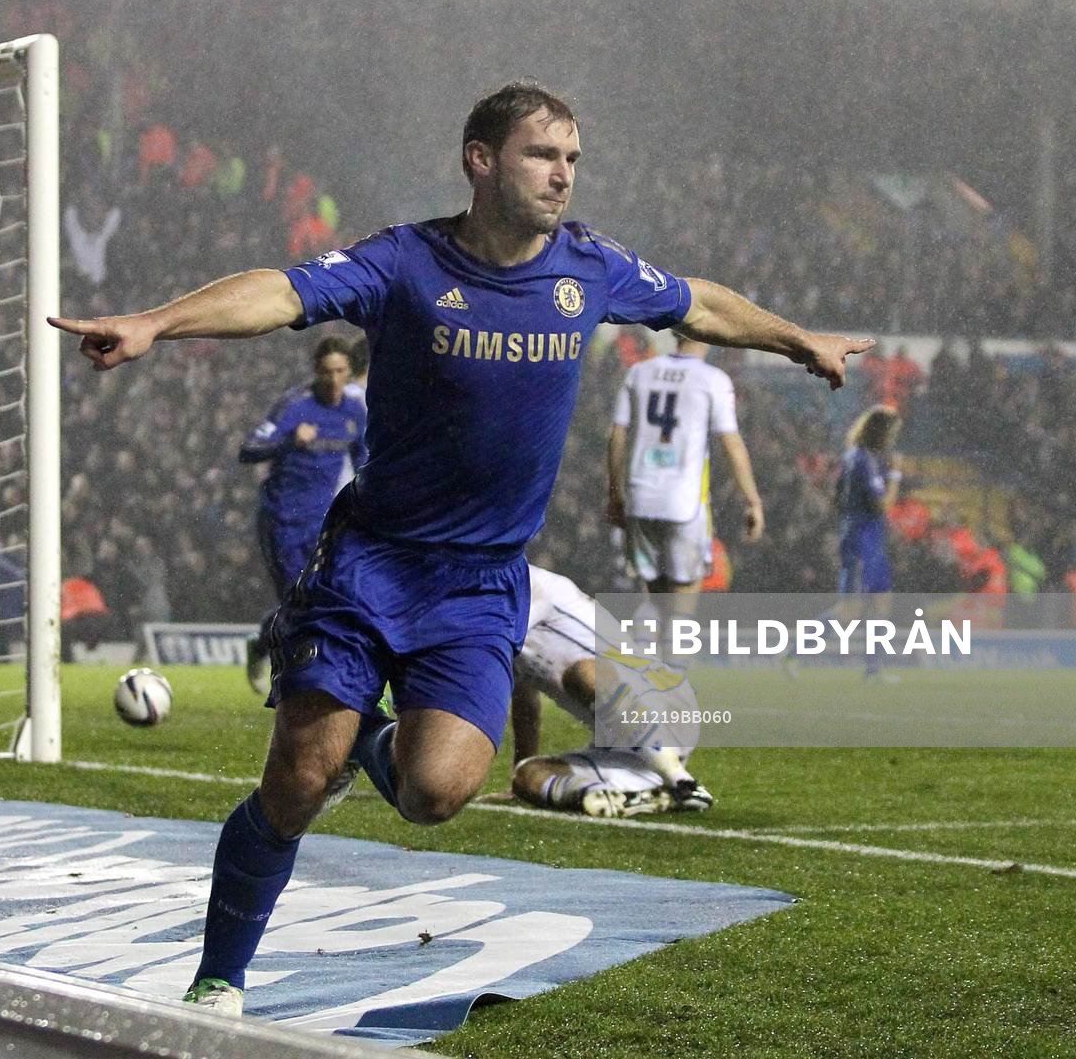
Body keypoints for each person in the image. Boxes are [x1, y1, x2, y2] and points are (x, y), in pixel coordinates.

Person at [50, 81, 870, 1017]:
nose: (562, 174)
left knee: (435, 793)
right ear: (481, 161)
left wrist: (797, 339)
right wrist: (156, 323)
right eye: (541, 154)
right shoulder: (404, 261)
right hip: (369, 561)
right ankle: (217, 982)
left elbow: (700, 305)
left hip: (481, 585)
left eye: (571, 158)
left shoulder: (589, 267)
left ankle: (367, 746)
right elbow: (280, 291)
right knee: (297, 780)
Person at [606, 329, 762, 666]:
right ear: (709, 335)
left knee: (653, 598)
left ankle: (644, 680)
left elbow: (617, 434)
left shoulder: (639, 372)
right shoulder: (711, 379)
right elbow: (731, 444)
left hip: (640, 498)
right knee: (682, 605)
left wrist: (615, 494)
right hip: (684, 503)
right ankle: (673, 685)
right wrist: (753, 500)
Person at [509, 564, 711, 818]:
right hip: (627, 751)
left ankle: (683, 782)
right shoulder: (492, 612)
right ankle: (618, 796)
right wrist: (519, 777)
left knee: (583, 673)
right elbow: (525, 702)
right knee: (528, 776)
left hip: (665, 707)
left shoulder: (529, 586)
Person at [238, 338, 368, 693]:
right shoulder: (295, 406)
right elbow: (249, 449)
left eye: (340, 372)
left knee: (330, 596)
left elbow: (363, 458)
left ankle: (269, 646)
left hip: (323, 524)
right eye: (327, 372)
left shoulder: (353, 412)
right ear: (315, 371)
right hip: (282, 521)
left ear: (348, 372)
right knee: (300, 602)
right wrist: (289, 441)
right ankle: (295, 680)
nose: (334, 380)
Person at [833, 405, 902, 681]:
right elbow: (883, 505)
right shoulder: (864, 460)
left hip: (868, 538)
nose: (893, 439)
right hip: (861, 542)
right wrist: (895, 475)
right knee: (850, 611)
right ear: (880, 432)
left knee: (881, 603)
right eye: (892, 433)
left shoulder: (854, 457)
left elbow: (837, 497)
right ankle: (792, 652)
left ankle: (873, 670)